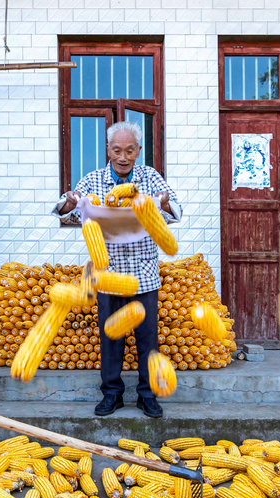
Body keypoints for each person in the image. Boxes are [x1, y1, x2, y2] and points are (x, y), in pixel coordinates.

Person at [53, 121, 182, 419]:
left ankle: (148, 395)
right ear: (108, 150)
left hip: (144, 274)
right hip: (109, 276)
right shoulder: (94, 179)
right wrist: (69, 202)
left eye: (129, 150)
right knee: (111, 338)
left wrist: (163, 204)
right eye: (116, 150)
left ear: (138, 151)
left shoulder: (150, 177)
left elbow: (175, 210)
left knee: (148, 339)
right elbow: (68, 211)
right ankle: (112, 394)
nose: (122, 157)